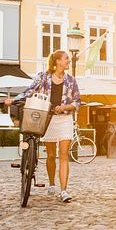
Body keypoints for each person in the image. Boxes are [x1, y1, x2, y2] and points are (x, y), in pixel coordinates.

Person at [7, 50, 80, 203]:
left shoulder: (71, 80)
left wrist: (65, 107)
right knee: (52, 155)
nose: (69, 61)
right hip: (47, 119)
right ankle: (52, 184)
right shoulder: (43, 77)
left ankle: (64, 190)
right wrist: (14, 100)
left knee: (64, 154)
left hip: (65, 119)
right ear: (58, 61)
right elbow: (30, 91)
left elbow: (77, 102)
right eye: (66, 58)